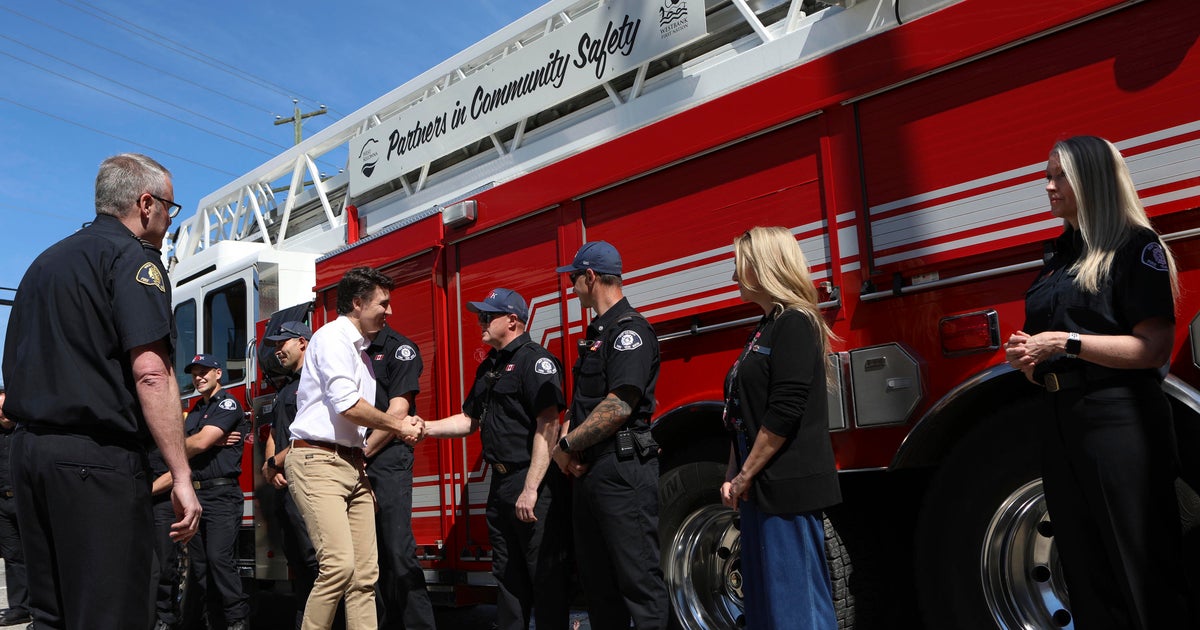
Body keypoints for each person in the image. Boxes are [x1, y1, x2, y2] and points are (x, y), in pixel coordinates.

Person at [1, 153, 201, 630]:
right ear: (146, 203)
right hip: (94, 461)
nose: (170, 219)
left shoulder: (44, 262)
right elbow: (151, 373)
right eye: (170, 207)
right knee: (111, 612)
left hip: (30, 456)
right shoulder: (133, 258)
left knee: (52, 614)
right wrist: (180, 475)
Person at [1005, 136, 1192, 629]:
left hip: (1119, 422)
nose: (1047, 187)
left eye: (1059, 176)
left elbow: (1152, 348)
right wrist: (1029, 358)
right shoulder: (1058, 258)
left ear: (1092, 180)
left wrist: (1064, 342)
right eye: (1047, 176)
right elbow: (1053, 351)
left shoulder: (1135, 247)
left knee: (1141, 573)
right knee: (1085, 573)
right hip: (1061, 420)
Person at [285, 266, 424, 630]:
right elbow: (347, 404)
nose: (389, 311)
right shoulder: (332, 338)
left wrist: (363, 460)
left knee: (364, 576)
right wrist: (399, 425)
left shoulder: (361, 353)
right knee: (338, 567)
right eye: (383, 303)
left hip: (351, 464)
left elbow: (354, 422)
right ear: (358, 304)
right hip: (318, 461)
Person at [424, 288, 571, 630]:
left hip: (532, 481)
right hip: (501, 484)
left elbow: (548, 424)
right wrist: (425, 428)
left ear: (513, 321)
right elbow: (469, 420)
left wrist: (531, 489)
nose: (481, 321)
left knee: (545, 578)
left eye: (488, 316)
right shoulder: (490, 366)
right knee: (506, 577)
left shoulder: (535, 361)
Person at [718, 227, 841, 630]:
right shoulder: (766, 326)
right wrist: (734, 471)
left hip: (785, 489)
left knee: (796, 610)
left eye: (739, 265)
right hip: (759, 489)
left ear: (764, 266)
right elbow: (742, 410)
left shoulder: (795, 322)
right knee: (767, 608)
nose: (734, 276)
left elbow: (784, 411)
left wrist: (745, 475)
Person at [547, 241, 668, 630]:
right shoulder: (597, 333)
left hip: (622, 470)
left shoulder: (629, 332)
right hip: (592, 473)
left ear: (590, 277)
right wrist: (567, 449)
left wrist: (566, 446)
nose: (571, 288)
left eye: (573, 279)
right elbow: (582, 404)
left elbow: (618, 406)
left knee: (639, 583)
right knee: (598, 588)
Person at [151, 355, 250, 630]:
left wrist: (200, 442)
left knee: (220, 560)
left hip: (221, 495)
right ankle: (213, 622)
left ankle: (237, 621)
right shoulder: (195, 411)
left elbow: (200, 442)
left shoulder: (228, 404)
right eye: (195, 374)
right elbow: (193, 446)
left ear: (218, 373)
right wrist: (198, 442)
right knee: (201, 565)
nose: (198, 378)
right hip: (196, 495)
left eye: (204, 371)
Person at [362, 323, 436, 630]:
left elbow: (398, 412)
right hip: (355, 459)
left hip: (386, 457)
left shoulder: (398, 348)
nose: (388, 310)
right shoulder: (352, 350)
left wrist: (362, 453)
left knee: (397, 548)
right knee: (369, 556)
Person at [261, 321, 320, 630]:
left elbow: (311, 434)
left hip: (309, 482)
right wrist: (268, 465)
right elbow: (274, 432)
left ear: (302, 342)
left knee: (316, 561)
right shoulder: (285, 387)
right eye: (273, 345)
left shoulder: (316, 379)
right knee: (298, 563)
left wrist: (275, 463)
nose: (276, 351)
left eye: (281, 343)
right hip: (285, 488)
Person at [0, 388, 30, 628]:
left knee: (38, 555)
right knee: (13, 557)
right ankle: (20, 607)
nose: (2, 413)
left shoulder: (26, 433)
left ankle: (45, 607)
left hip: (26, 500)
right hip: (3, 503)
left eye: (4, 407)